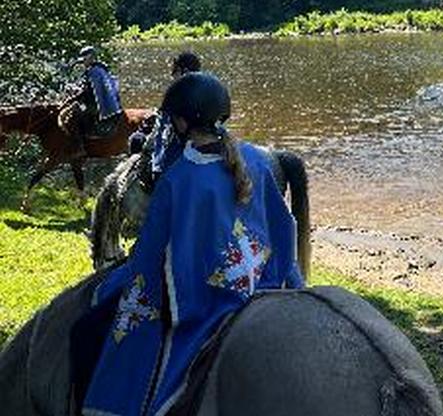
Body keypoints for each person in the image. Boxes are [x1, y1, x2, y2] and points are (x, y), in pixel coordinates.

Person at [79, 72, 303, 416]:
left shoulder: (179, 177)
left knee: (122, 328)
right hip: (263, 280)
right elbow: (282, 225)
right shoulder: (257, 160)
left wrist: (115, 284)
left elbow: (149, 258)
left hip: (210, 300)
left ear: (181, 122)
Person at [58, 46, 123, 157]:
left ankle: (79, 147)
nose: (83, 61)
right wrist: (74, 89)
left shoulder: (94, 71)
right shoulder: (96, 69)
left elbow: (88, 91)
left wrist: (72, 98)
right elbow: (86, 87)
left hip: (98, 106)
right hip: (99, 102)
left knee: (75, 115)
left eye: (84, 58)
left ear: (91, 57)